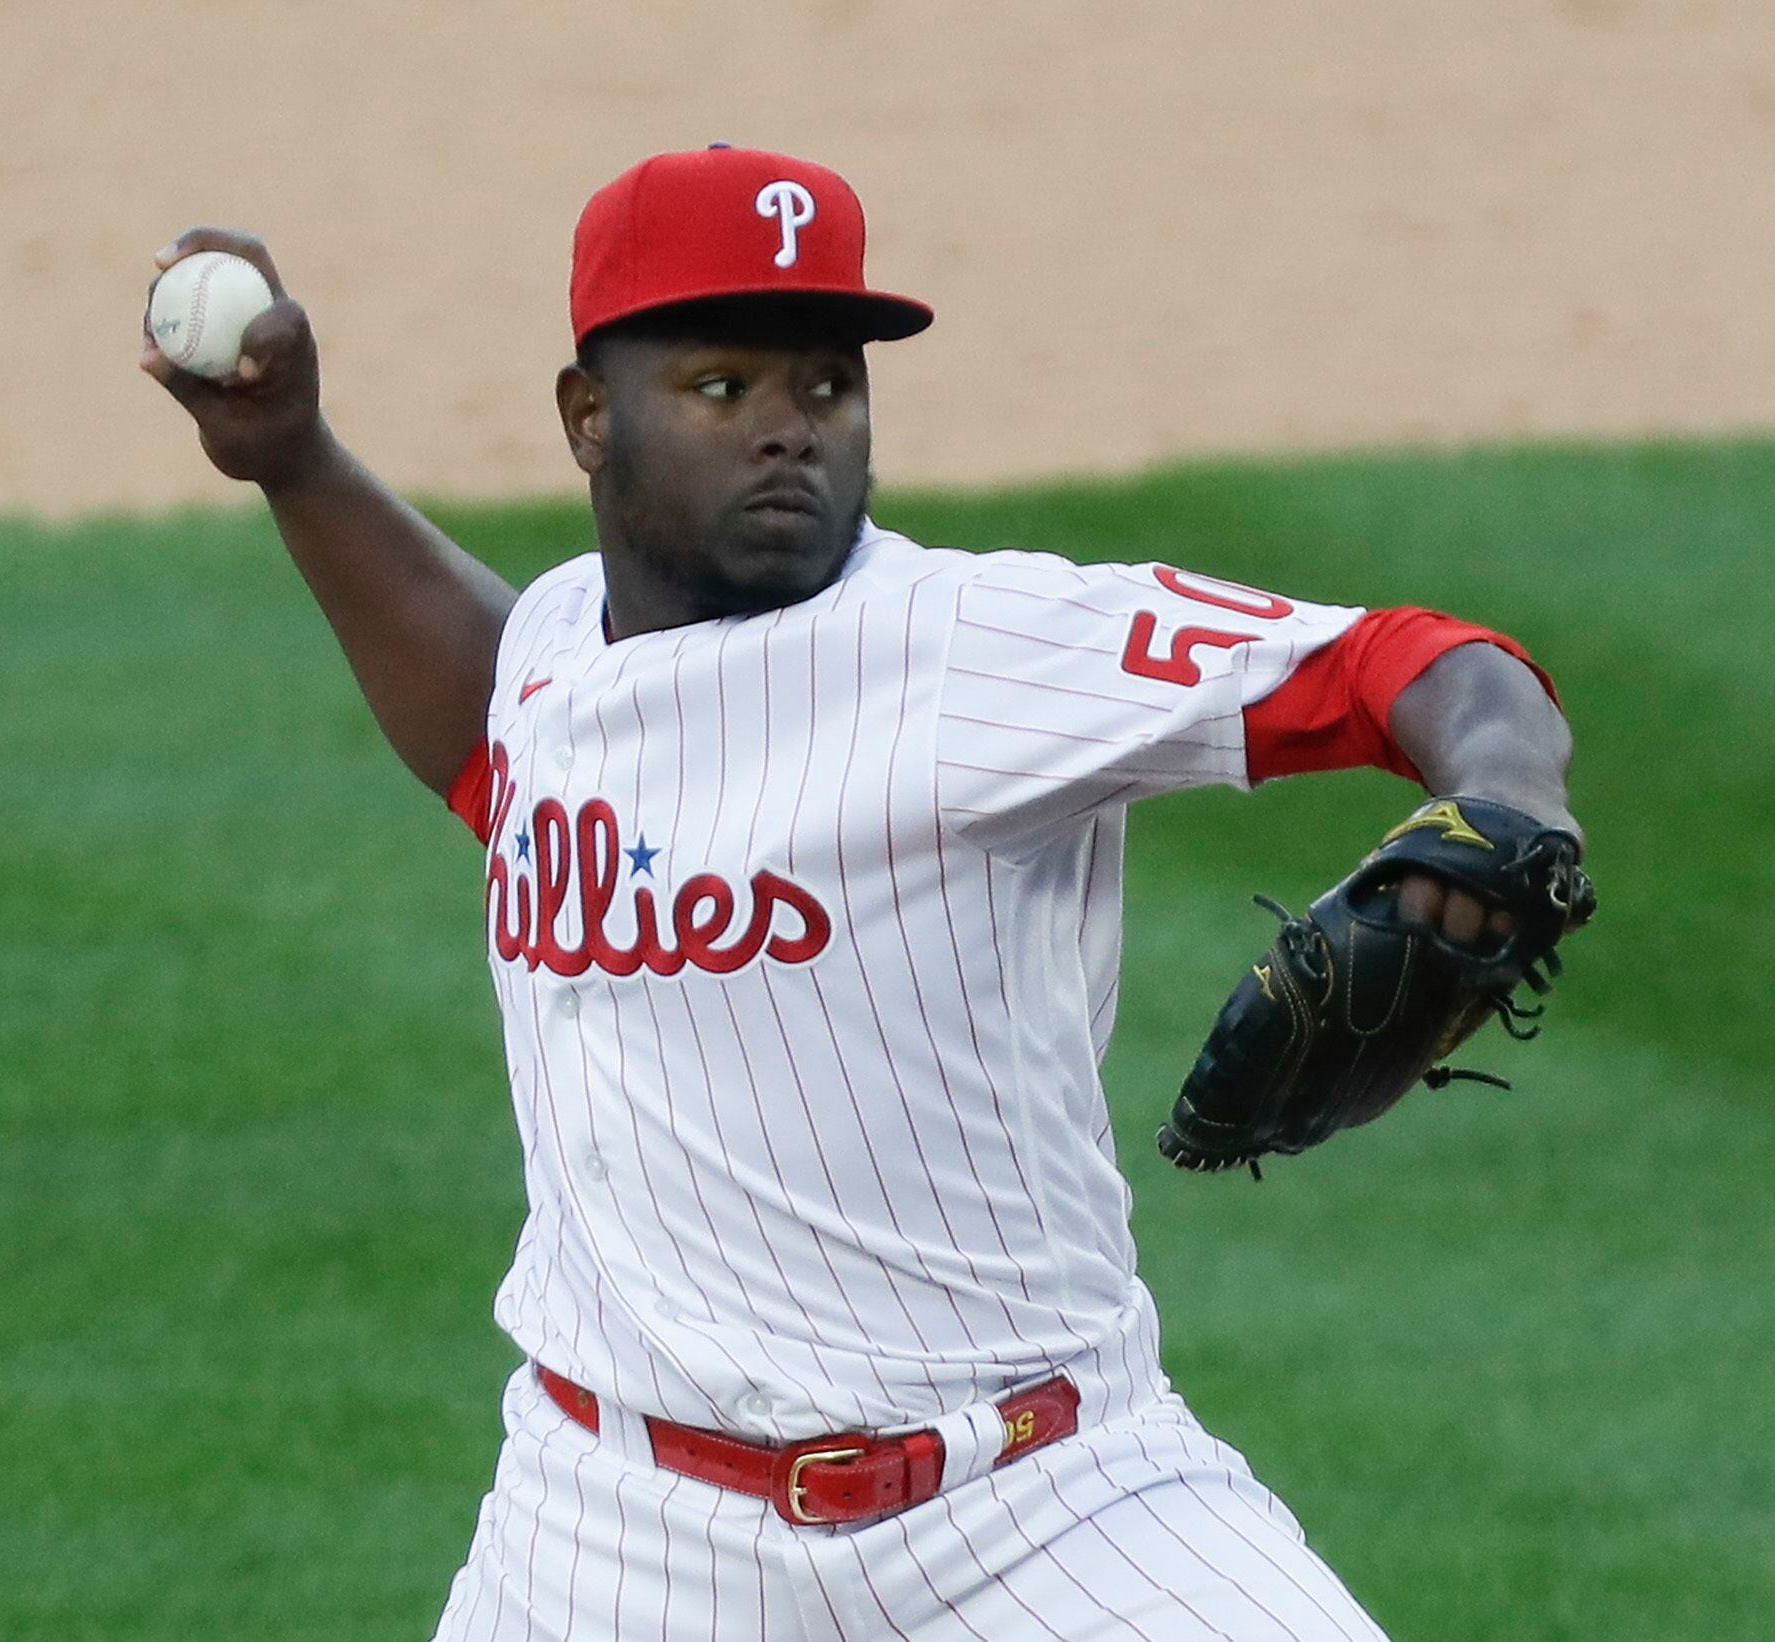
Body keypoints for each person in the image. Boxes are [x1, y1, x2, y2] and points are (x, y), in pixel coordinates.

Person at [144, 144, 1578, 1641]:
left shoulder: (980, 649)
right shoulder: (562, 650)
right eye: (721, 388)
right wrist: (296, 459)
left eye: (826, 388)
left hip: (1035, 1506)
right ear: (588, 418)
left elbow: (1408, 659)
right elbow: (498, 740)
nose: (787, 434)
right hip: (612, 1525)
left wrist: (1510, 793)